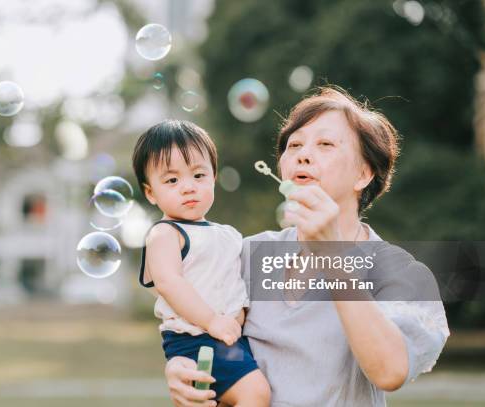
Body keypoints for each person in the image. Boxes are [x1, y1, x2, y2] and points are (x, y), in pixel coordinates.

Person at [163, 87, 450, 406]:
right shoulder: (246, 255)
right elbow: (203, 334)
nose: (302, 154)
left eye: (325, 144)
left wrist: (332, 254)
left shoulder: (399, 271)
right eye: (294, 144)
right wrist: (181, 367)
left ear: (363, 174)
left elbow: (389, 371)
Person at [132, 119, 272, 406]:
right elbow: (170, 283)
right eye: (172, 180)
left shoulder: (228, 235)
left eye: (198, 175)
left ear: (213, 177)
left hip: (228, 335)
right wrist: (212, 320)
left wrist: (236, 318)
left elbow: (233, 285)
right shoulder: (166, 234)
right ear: (150, 192)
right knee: (255, 394)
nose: (188, 187)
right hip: (196, 337)